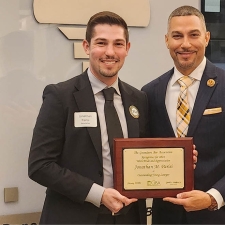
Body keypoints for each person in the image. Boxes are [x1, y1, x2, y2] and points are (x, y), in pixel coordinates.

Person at [141, 5, 225, 224]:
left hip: (221, 215)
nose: (185, 44)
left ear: (207, 37)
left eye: (194, 35)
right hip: (168, 217)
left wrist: (212, 198)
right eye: (177, 36)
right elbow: (145, 151)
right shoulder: (150, 92)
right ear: (167, 40)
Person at [28, 11, 149, 224]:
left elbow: (146, 154)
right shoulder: (60, 96)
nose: (110, 52)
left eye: (118, 44)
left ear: (127, 49)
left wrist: (181, 158)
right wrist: (99, 194)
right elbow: (40, 165)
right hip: (74, 217)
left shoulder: (138, 99)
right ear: (86, 46)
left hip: (129, 218)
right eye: (101, 43)